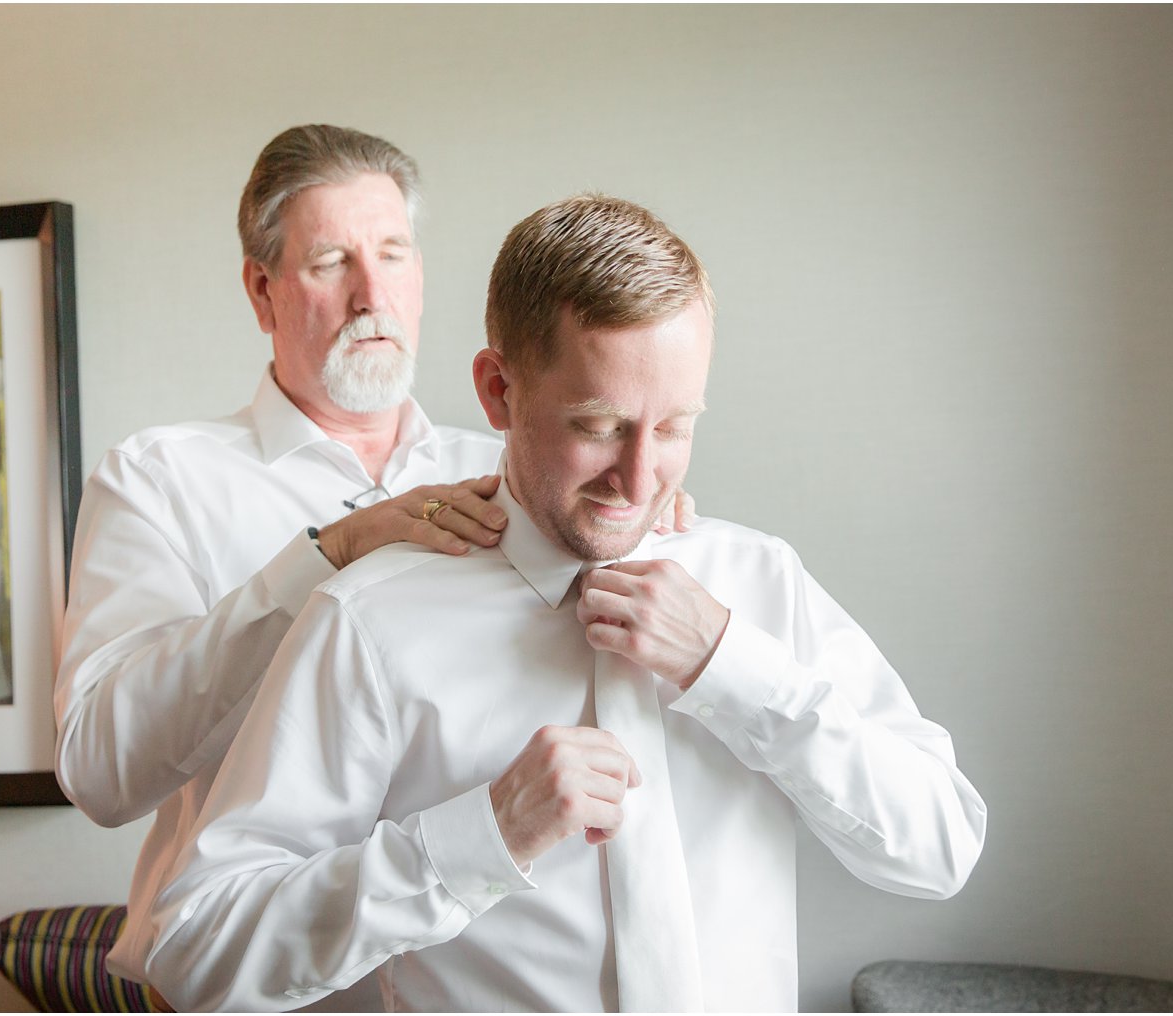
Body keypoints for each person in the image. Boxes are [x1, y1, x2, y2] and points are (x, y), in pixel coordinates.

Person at [143, 194, 988, 1012]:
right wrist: (479, 839)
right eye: (600, 426)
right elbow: (198, 951)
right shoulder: (370, 622)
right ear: (498, 391)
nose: (640, 478)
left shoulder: (758, 583)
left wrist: (736, 670)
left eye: (675, 428)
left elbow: (941, 847)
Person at [53, 125, 698, 988]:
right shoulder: (162, 479)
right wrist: (329, 553)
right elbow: (100, 770)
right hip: (246, 982)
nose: (372, 295)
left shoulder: (530, 467)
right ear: (262, 289)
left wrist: (633, 505)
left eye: (393, 254)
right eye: (330, 262)